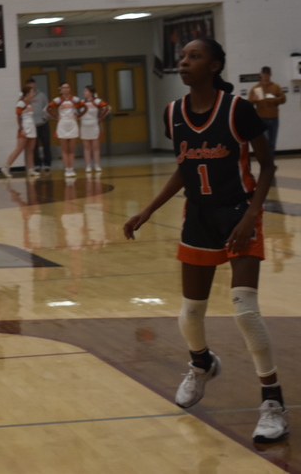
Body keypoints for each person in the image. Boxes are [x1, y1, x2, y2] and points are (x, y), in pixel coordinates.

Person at [124, 38, 287, 443]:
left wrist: (252, 215)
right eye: (182, 58)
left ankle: (272, 402)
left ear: (214, 66)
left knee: (244, 310)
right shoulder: (173, 113)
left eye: (193, 57)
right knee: (189, 314)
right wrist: (148, 210)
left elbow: (267, 166)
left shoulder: (238, 109)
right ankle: (201, 364)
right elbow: (185, 167)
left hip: (238, 213)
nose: (183, 63)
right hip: (197, 216)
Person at [2, 85, 39, 179]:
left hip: (32, 128)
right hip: (24, 128)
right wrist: (21, 129)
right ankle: (6, 167)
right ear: (27, 93)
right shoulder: (21, 103)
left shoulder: (30, 103)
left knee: (30, 150)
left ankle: (31, 169)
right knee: (18, 149)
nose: (34, 93)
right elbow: (18, 117)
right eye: (32, 92)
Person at [248, 66, 286, 157]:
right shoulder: (256, 88)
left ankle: (271, 163)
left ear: (270, 74)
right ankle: (265, 163)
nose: (265, 75)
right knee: (266, 141)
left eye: (267, 73)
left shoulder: (276, 87)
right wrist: (253, 99)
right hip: (261, 118)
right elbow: (249, 103)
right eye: (264, 73)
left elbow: (283, 99)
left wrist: (274, 99)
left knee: (272, 143)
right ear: (261, 74)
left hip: (274, 118)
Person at [47, 83, 83, 178]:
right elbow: (47, 109)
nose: (66, 89)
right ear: (61, 89)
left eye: (67, 87)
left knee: (71, 149)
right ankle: (66, 169)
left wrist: (78, 116)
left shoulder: (75, 99)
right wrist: (55, 117)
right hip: (62, 124)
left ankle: (71, 168)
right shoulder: (57, 100)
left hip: (72, 124)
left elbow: (85, 107)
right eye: (64, 88)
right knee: (64, 149)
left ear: (70, 89)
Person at [79, 86, 109, 173]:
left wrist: (100, 117)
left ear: (91, 92)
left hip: (94, 125)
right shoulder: (81, 102)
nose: (84, 92)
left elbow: (107, 108)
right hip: (84, 125)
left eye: (86, 91)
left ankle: (97, 165)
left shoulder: (97, 101)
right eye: (84, 91)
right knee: (86, 147)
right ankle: (88, 165)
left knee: (95, 147)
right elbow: (75, 110)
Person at [27, 79, 52, 172]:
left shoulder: (42, 95)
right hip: (32, 125)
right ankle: (37, 164)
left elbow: (47, 107)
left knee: (46, 144)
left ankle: (47, 164)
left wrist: (45, 118)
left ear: (35, 84)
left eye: (32, 83)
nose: (30, 85)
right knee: (34, 146)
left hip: (43, 123)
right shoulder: (25, 97)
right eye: (28, 84)